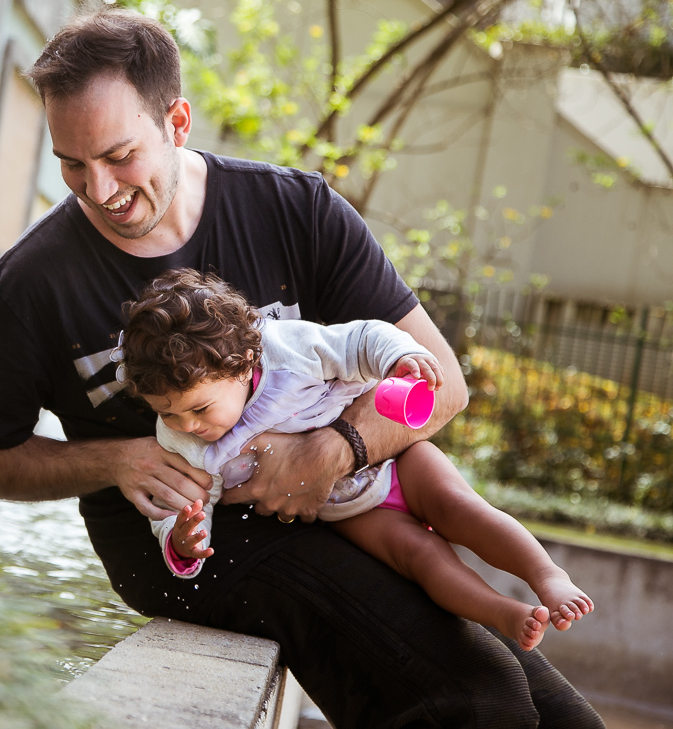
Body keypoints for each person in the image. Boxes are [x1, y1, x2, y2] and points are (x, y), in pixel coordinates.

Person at [0, 6, 605, 727]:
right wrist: (118, 460)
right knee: (475, 699)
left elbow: (442, 381)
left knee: (561, 718)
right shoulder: (28, 286)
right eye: (71, 164)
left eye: (118, 156)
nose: (98, 189)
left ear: (177, 122)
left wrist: (334, 449)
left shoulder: (298, 211)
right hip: (194, 545)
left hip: (347, 493)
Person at [119, 268, 593, 651]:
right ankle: (503, 613)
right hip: (349, 511)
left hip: (397, 462)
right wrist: (183, 538)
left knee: (458, 508)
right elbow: (182, 500)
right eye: (167, 413)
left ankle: (547, 576)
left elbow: (361, 340)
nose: (186, 425)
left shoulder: (289, 349)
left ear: (243, 364)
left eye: (199, 409)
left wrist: (401, 358)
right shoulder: (186, 441)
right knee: (418, 557)